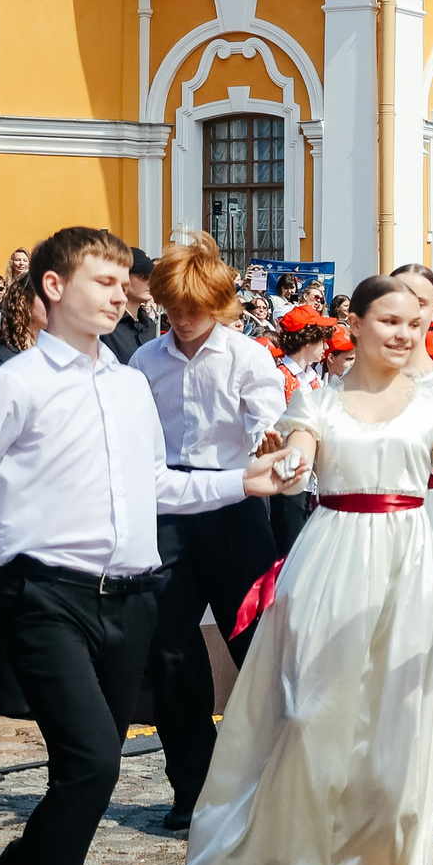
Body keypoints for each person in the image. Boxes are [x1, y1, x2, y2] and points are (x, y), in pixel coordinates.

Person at [0, 227, 286, 865]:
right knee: (89, 767)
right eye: (105, 280)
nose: (124, 293)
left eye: (125, 282)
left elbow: (156, 486)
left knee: (90, 765)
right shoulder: (10, 385)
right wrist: (8, 549)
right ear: (51, 287)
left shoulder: (124, 382)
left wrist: (238, 482)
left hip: (133, 598)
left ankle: (22, 863)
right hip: (47, 599)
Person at [184, 275, 433, 865]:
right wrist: (284, 466)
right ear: (354, 323)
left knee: (392, 717)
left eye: (413, 324)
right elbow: (298, 461)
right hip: (330, 555)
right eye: (388, 319)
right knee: (313, 713)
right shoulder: (317, 399)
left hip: (407, 561)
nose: (402, 332)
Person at [129, 237, 286, 833]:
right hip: (168, 508)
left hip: (236, 503)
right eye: (172, 306)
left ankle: (273, 781)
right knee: (169, 649)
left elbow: (267, 415)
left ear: (218, 303)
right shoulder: (145, 361)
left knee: (258, 645)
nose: (183, 318)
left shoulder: (246, 357)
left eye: (193, 306)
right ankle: (190, 787)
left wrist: (271, 441)